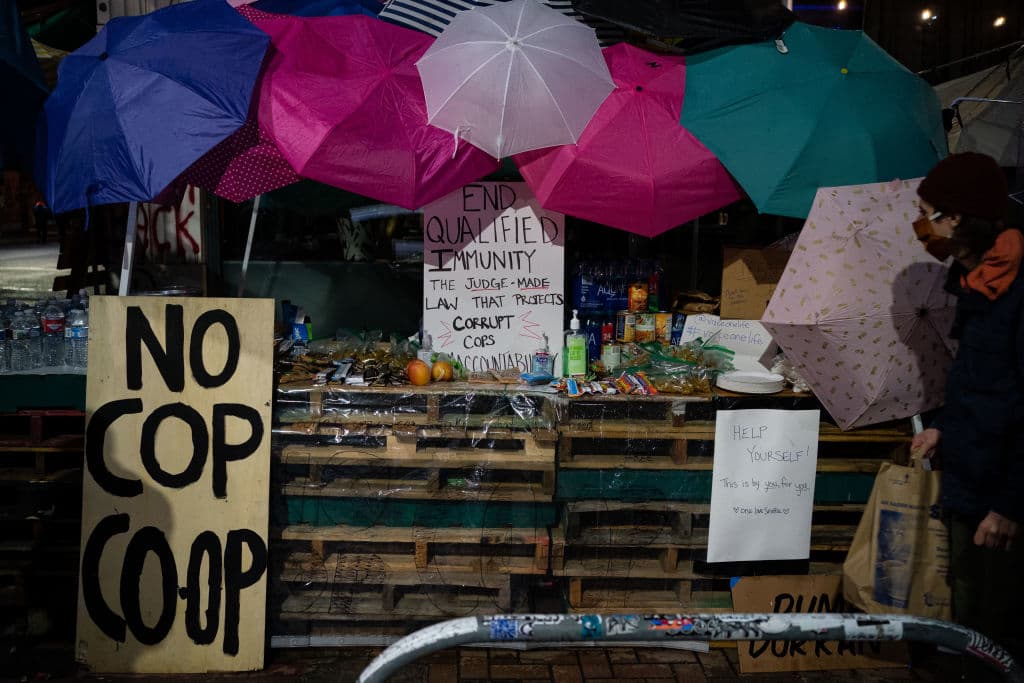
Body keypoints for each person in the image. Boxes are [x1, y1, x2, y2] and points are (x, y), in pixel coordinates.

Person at [910, 152, 1024, 675]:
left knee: (998, 633)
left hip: (1001, 490)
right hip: (967, 472)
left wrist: (1008, 505)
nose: (922, 226)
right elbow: (976, 383)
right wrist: (941, 426)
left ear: (959, 217)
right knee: (965, 619)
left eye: (930, 213)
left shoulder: (1015, 288)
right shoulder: (970, 281)